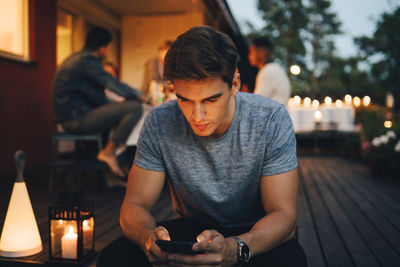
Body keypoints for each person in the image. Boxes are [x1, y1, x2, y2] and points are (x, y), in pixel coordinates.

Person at [97, 26, 307, 266]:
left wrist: (234, 248)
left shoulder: (271, 119)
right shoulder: (159, 121)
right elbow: (134, 204)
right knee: (114, 258)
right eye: (184, 99)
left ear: (235, 83)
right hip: (191, 232)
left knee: (292, 261)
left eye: (211, 99)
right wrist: (146, 237)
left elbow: (284, 214)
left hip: (254, 233)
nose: (197, 115)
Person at [53, 26, 146, 178]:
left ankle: (112, 174)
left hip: (70, 116)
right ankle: (109, 152)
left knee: (120, 113)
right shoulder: (87, 61)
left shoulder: (75, 59)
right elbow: (112, 84)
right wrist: (138, 94)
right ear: (104, 48)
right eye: (108, 48)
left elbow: (97, 95)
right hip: (76, 119)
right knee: (134, 108)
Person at [248, 37, 291, 106]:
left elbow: (256, 102)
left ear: (260, 53)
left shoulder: (268, 71)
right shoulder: (275, 69)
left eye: (251, 51)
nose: (249, 56)